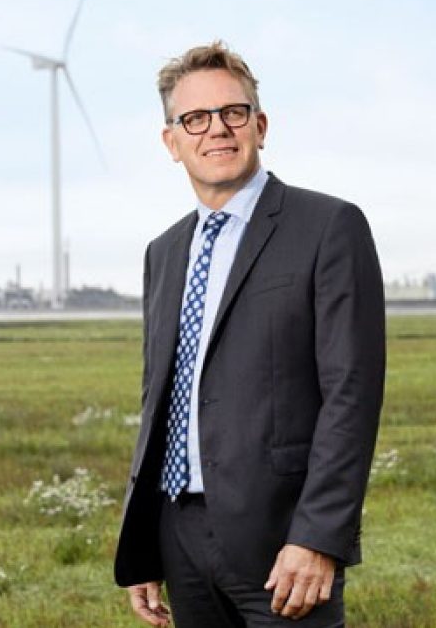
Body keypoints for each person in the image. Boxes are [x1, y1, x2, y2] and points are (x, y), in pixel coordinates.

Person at [114, 41, 386, 626]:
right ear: (172, 141)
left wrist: (318, 537)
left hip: (281, 542)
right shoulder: (163, 253)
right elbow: (159, 401)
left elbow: (352, 395)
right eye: (195, 118)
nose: (218, 129)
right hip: (179, 535)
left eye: (233, 113)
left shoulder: (329, 227)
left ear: (260, 126)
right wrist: (143, 542)